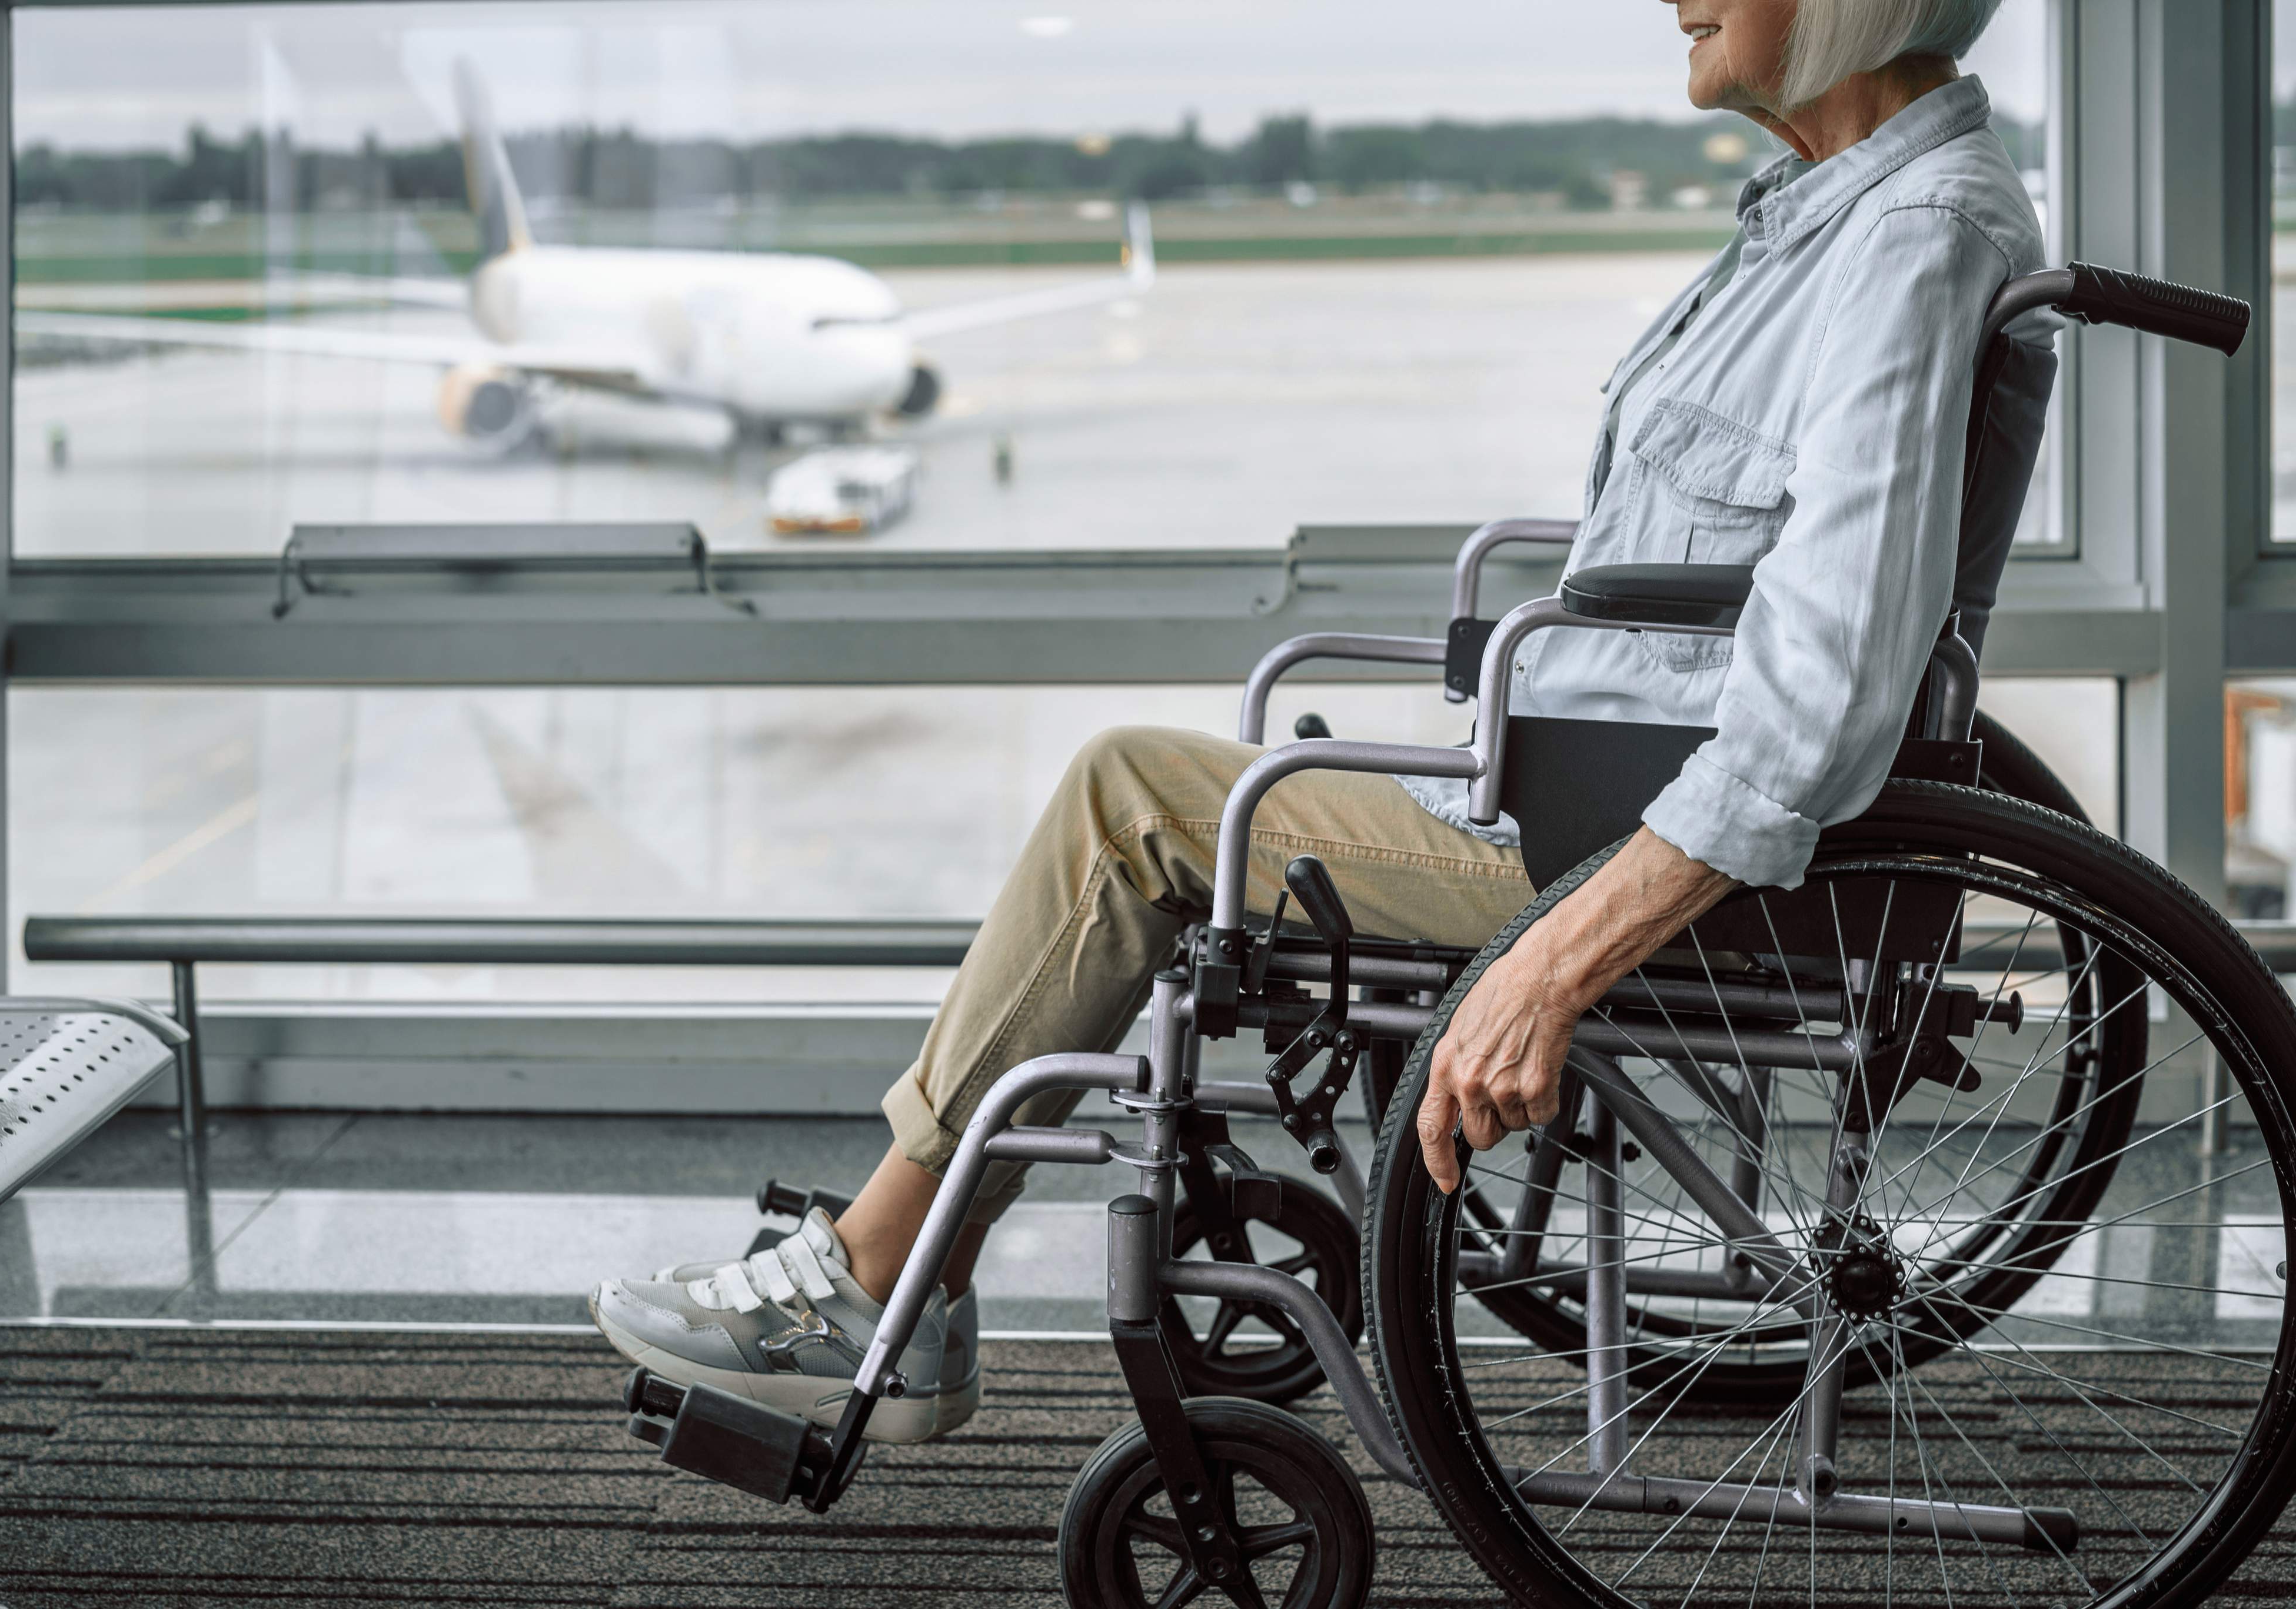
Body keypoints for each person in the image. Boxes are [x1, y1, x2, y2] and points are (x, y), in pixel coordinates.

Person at [589, 0, 2048, 1445]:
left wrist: (1553, 958)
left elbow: (1830, 675)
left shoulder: (1912, 235)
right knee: (1185, 788)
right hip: (1572, 786)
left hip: (1618, 840)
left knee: (1136, 800)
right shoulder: (1827, 219)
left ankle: (877, 1270)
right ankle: (896, 1251)